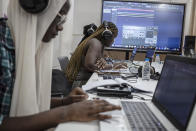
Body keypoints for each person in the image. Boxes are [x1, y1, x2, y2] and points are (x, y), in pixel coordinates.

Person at [0, 0, 121, 130]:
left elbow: (26, 102)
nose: (61, 27)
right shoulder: (3, 50)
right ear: (34, 9)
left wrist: (65, 102)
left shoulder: (24, 45)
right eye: (60, 17)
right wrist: (66, 113)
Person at [65, 21, 127, 87]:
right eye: (114, 37)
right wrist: (111, 66)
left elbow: (98, 65)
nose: (113, 41)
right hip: (80, 83)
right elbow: (90, 65)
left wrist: (106, 63)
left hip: (83, 80)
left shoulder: (96, 42)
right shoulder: (95, 43)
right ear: (107, 36)